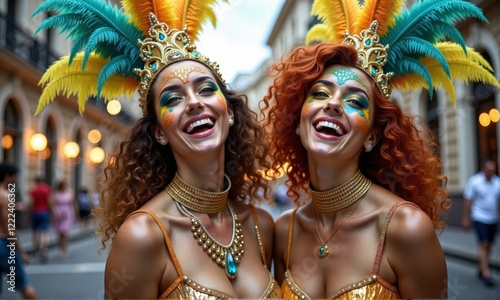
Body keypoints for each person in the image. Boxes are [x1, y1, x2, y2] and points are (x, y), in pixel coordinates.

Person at [33, 1, 280, 299]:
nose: (193, 102)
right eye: (172, 99)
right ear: (159, 133)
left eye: (205, 89)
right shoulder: (143, 235)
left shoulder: (261, 226)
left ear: (229, 112)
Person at [261, 0, 498, 298]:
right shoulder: (285, 231)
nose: (333, 104)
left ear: (372, 137)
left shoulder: (405, 229)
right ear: (298, 122)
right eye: (320, 94)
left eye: (355, 101)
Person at [0, 162, 38, 299]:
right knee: (24, 285)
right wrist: (21, 251)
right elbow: (9, 228)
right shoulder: (6, 196)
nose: (16, 180)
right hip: (3, 245)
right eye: (15, 176)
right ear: (7, 177)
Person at [462, 159, 500, 287]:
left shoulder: (497, 182)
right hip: (479, 216)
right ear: (483, 169)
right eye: (489, 170)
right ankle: (486, 273)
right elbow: (468, 200)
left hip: (493, 218)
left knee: (489, 245)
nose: (491, 173)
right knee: (484, 243)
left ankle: (481, 267)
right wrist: (466, 218)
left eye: (493, 171)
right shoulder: (475, 181)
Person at [27, 176, 52, 263]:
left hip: (35, 212)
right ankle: (43, 247)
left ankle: (37, 250)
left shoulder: (33, 190)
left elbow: (31, 202)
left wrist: (27, 213)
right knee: (44, 232)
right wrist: (53, 212)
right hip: (44, 212)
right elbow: (49, 202)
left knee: (35, 232)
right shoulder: (46, 189)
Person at [51, 181, 77, 259]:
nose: (64, 187)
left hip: (67, 214)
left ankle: (65, 249)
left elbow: (73, 204)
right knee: (60, 234)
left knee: (65, 232)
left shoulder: (70, 193)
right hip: (58, 214)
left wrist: (74, 213)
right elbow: (52, 204)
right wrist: (55, 213)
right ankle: (61, 249)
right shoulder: (55, 194)